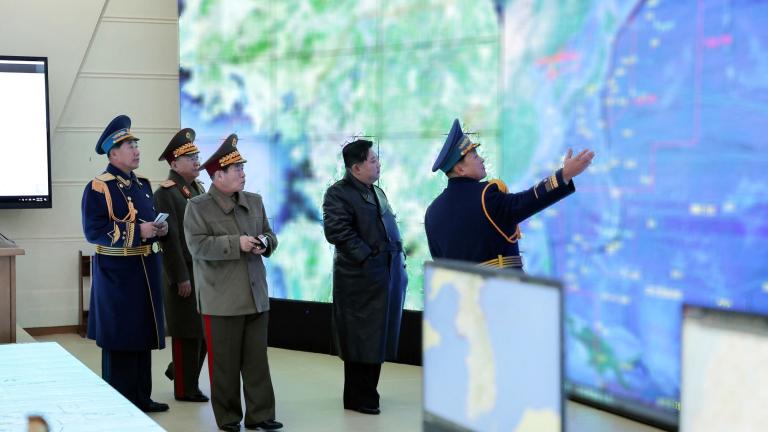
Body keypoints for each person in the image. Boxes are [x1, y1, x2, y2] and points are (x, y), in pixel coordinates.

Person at [184, 134, 283, 432]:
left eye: (242, 167)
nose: (242, 173)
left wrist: (265, 243)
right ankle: (228, 418)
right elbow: (197, 247)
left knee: (257, 363)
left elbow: (270, 234)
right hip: (221, 300)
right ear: (217, 175)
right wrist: (235, 243)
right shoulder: (198, 207)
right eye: (236, 168)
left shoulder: (254, 201)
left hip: (255, 296)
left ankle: (260, 415)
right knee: (224, 366)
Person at [81, 114, 169, 412]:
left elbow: (147, 222)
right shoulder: (99, 186)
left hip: (145, 270)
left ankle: (142, 397)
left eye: (136, 144)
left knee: (143, 337)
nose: (136, 150)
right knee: (120, 340)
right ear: (113, 152)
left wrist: (158, 228)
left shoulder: (141, 185)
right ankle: (120, 403)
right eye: (130, 145)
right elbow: (94, 229)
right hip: (118, 275)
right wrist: (137, 231)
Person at [425, 118, 595, 269]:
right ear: (460, 168)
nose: (482, 159)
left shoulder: (431, 213)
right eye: (475, 156)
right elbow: (527, 201)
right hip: (502, 294)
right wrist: (564, 175)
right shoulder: (485, 196)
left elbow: (441, 267)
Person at [322, 139, 408, 415]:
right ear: (356, 168)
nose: (378, 163)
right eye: (373, 160)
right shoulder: (338, 193)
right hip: (359, 279)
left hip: (384, 276)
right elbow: (337, 232)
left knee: (377, 337)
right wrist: (368, 258)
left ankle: (368, 392)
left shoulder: (376, 191)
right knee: (361, 339)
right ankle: (359, 396)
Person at [153, 128, 209, 403]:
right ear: (174, 164)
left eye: (197, 155)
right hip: (184, 272)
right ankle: (186, 388)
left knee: (203, 331)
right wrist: (180, 277)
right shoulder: (166, 193)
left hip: (203, 271)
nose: (197, 160)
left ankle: (181, 372)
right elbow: (171, 240)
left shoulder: (197, 187)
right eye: (190, 157)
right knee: (188, 331)